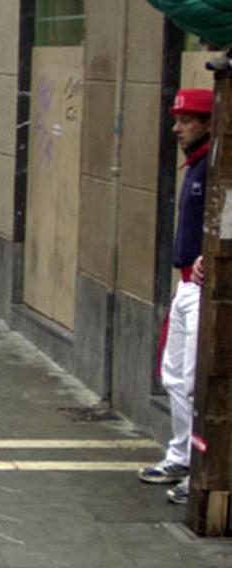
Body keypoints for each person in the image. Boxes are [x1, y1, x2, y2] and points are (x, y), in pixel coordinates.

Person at [138, 89, 213, 506]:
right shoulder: (198, 165)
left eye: (186, 120)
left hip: (205, 289)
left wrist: (213, 256)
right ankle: (181, 455)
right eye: (177, 118)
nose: (177, 128)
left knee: (193, 379)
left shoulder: (217, 165)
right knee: (173, 376)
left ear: (207, 122)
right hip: (186, 284)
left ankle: (200, 467)